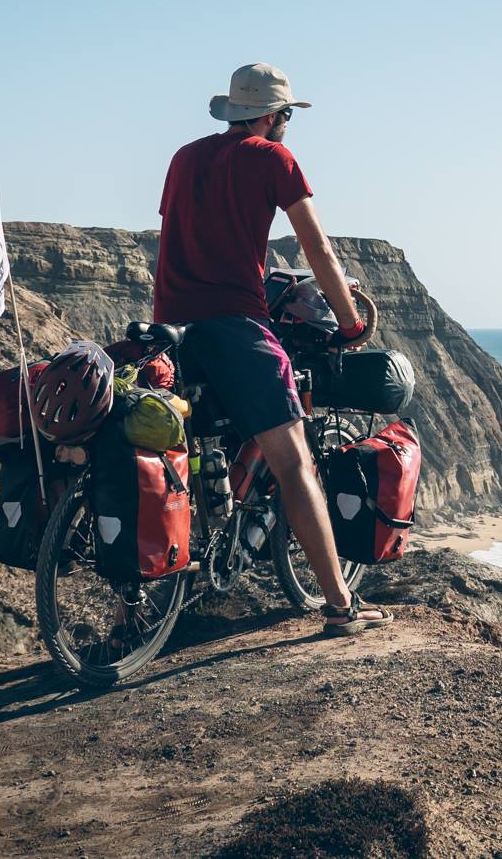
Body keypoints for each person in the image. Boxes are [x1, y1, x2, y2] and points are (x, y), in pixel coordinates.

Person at [152, 63, 391, 636]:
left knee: (167, 465)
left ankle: (129, 617)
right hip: (235, 328)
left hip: (171, 328)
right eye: (287, 115)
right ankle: (340, 606)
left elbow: (187, 235)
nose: (287, 125)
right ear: (270, 116)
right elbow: (320, 252)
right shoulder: (272, 158)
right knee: (294, 462)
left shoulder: (184, 158)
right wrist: (352, 323)